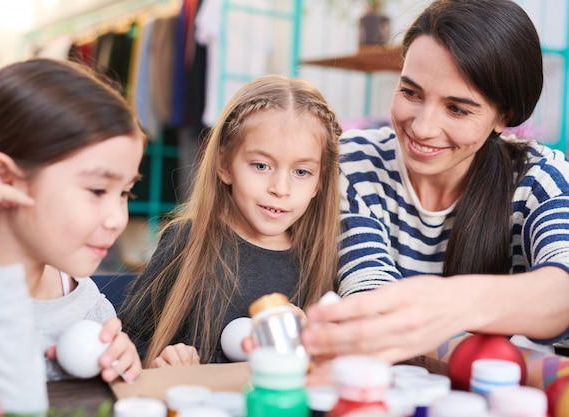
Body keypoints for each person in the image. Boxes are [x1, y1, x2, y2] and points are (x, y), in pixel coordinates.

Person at [302, 0, 569, 366]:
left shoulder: (540, 179)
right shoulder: (355, 162)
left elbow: (562, 291)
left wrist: (455, 303)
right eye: (410, 92)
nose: (423, 127)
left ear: (502, 116)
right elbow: (372, 301)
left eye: (457, 109)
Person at [0, 58, 144, 412]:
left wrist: (117, 362)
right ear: (2, 179)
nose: (117, 218)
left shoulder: (82, 297)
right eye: (98, 190)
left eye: (125, 192)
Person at [119, 74, 342, 367]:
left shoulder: (320, 258)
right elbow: (128, 342)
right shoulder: (187, 241)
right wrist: (161, 362)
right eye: (261, 165)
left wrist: (313, 343)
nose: (280, 188)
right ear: (224, 164)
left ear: (320, 182)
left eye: (301, 172)